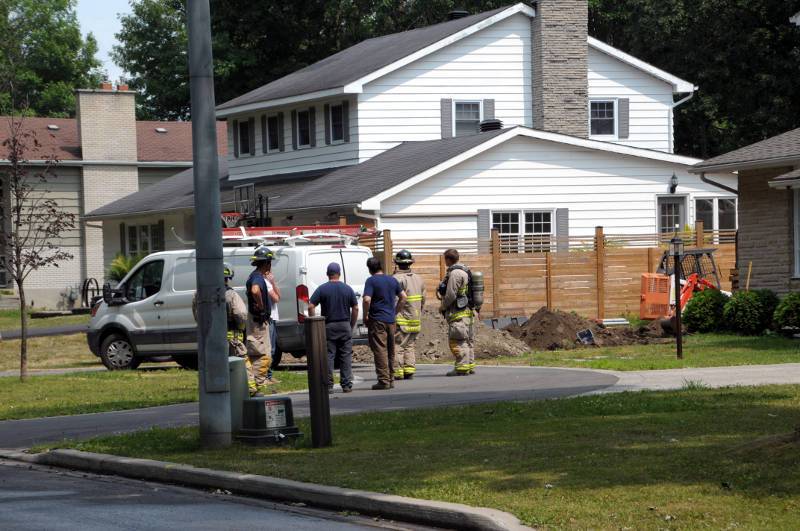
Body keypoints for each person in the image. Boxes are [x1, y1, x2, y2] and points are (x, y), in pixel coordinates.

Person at [308, 262, 359, 393]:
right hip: (344, 325)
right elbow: (356, 308)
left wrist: (314, 322)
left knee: (329, 356)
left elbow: (310, 306)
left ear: (327, 274)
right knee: (345, 356)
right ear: (339, 274)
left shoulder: (322, 289)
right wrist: (351, 324)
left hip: (329, 326)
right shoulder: (347, 289)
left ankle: (329, 385)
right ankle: (347, 384)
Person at [363, 257, 406, 390]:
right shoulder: (392, 280)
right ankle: (391, 379)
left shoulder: (371, 281)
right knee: (390, 349)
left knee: (380, 350)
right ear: (381, 266)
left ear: (369, 269)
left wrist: (365, 315)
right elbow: (403, 297)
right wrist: (395, 312)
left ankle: (383, 380)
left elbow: (366, 299)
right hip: (390, 320)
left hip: (377, 320)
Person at [192, 262, 247, 358]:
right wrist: (240, 326)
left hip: (208, 337)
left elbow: (197, 314)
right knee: (237, 367)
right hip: (230, 340)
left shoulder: (198, 294)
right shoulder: (230, 294)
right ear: (227, 278)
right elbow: (241, 314)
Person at [245, 245, 276, 397]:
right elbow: (255, 290)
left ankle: (255, 385)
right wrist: (262, 307)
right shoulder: (257, 277)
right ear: (266, 263)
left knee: (260, 353)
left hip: (256, 320)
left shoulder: (255, 275)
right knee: (262, 354)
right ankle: (255, 385)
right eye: (270, 262)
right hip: (258, 321)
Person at [439, 248, 475, 376]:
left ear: (448, 259)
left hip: (458, 312)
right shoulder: (466, 270)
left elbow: (451, 294)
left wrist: (443, 307)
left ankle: (461, 367)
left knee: (457, 340)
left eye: (445, 259)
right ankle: (469, 364)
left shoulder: (455, 274)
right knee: (468, 340)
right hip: (468, 312)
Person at [392, 249, 425, 380]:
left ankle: (398, 371)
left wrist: (393, 315)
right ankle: (409, 369)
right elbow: (423, 300)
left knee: (398, 345)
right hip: (415, 318)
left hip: (401, 319)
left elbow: (394, 300)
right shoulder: (419, 279)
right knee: (409, 345)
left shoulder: (395, 279)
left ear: (397, 263)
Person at [264, 273, 281, 384]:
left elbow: (279, 295)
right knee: (270, 348)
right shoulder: (266, 283)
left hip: (273, 317)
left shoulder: (268, 283)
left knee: (272, 348)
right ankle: (266, 376)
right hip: (269, 318)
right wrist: (272, 282)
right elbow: (277, 298)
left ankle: (269, 375)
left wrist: (273, 283)